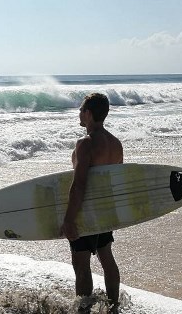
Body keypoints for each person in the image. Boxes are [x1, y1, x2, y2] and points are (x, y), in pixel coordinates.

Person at [60, 93, 123, 311]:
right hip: (105, 210)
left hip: (85, 212)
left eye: (80, 110)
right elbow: (116, 182)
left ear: (88, 113)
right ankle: (114, 306)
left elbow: (79, 184)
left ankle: (84, 309)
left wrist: (69, 219)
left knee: (81, 263)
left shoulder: (85, 144)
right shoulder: (116, 144)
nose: (79, 113)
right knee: (107, 258)